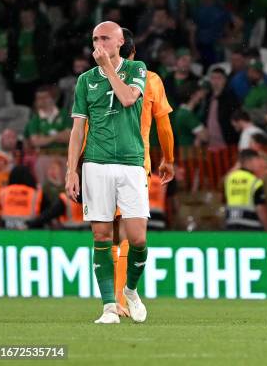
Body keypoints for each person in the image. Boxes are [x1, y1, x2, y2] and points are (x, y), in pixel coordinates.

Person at [65, 21, 149, 324]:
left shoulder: (137, 68)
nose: (99, 44)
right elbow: (77, 129)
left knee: (138, 240)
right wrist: (71, 170)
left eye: (105, 38)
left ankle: (130, 289)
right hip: (96, 163)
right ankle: (108, 306)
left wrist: (108, 68)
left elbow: (127, 99)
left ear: (120, 41)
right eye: (95, 39)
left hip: (130, 162)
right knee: (100, 235)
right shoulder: (85, 80)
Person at [111, 27, 176, 317]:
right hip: (137, 165)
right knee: (129, 234)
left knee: (109, 236)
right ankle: (123, 297)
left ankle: (114, 300)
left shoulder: (97, 79)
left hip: (100, 163)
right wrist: (169, 159)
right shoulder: (150, 80)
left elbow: (85, 127)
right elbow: (163, 124)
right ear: (134, 53)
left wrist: (77, 167)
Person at [223, 149, 267, 231]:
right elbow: (260, 208)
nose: (259, 163)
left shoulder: (229, 179)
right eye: (257, 160)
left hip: (232, 225)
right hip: (251, 227)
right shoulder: (255, 181)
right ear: (250, 161)